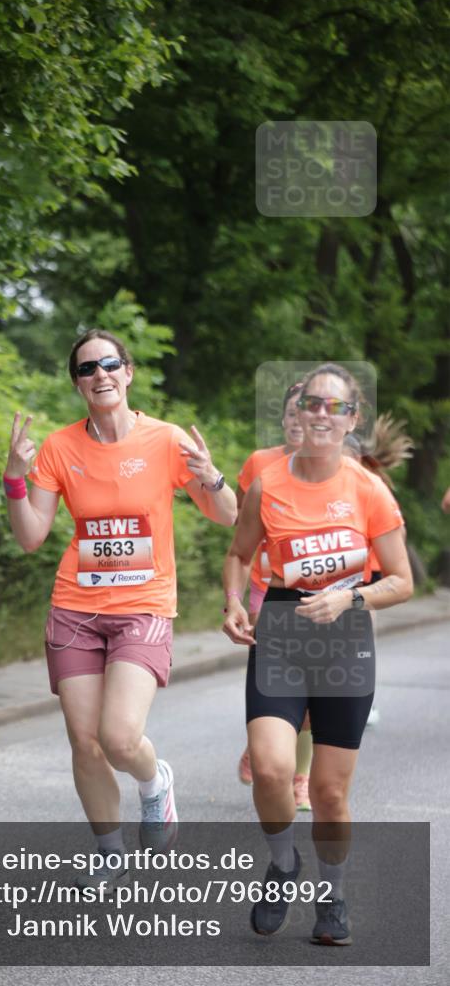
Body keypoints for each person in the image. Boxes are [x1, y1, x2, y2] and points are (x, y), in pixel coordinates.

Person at [4, 329, 236, 887]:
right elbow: (32, 536)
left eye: (110, 363)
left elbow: (227, 515)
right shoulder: (60, 448)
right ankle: (109, 852)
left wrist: (212, 477)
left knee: (120, 738)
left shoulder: (166, 440)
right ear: (78, 383)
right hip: (75, 608)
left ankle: (155, 784)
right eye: (87, 368)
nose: (100, 374)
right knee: (84, 741)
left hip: (144, 605)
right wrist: (14, 477)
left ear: (128, 373)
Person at [223, 363, 413, 945]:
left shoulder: (367, 488)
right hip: (281, 631)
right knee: (273, 768)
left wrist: (349, 598)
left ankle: (332, 895)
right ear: (298, 413)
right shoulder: (268, 482)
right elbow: (238, 554)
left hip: (346, 640)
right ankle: (283, 866)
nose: (322, 415)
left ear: (351, 419)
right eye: (312, 404)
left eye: (336, 407)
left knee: (330, 794)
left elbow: (401, 580)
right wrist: (234, 601)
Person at [235, 382, 313, 811]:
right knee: (275, 686)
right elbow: (242, 535)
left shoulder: (338, 468)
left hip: (320, 599)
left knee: (314, 699)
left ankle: (298, 772)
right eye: (291, 413)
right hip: (268, 593)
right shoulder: (260, 464)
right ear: (283, 420)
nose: (300, 420)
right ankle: (272, 752)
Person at [342, 414, 414, 727]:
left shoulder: (374, 486)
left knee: (359, 635)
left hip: (366, 571)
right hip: (327, 575)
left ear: (358, 458)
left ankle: (362, 695)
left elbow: (399, 534)